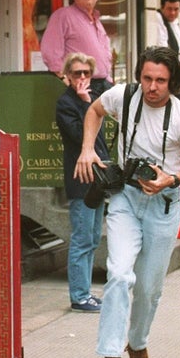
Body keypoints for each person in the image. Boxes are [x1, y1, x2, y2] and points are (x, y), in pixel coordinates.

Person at [74, 46, 180, 358]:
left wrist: (172, 178)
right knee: (120, 274)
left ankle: (137, 344)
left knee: (149, 289)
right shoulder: (124, 95)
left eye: (161, 81)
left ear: (173, 82)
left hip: (163, 205)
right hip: (125, 197)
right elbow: (94, 110)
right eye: (147, 78)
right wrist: (88, 148)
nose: (152, 87)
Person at [56, 52, 109, 312]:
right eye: (77, 73)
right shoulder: (66, 104)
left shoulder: (92, 102)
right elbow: (80, 137)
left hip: (96, 179)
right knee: (81, 239)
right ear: (67, 76)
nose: (82, 78)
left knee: (93, 239)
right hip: (81, 180)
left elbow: (99, 142)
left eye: (86, 73)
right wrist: (86, 102)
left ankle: (85, 292)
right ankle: (79, 296)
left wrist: (89, 102)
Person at [40, 0, 113, 99]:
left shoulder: (97, 21)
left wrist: (109, 80)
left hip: (104, 86)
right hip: (80, 86)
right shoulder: (63, 16)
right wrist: (66, 80)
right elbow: (50, 52)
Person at [156, 0, 180, 107]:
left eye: (176, 9)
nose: (172, 13)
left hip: (179, 74)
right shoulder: (159, 20)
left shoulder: (175, 24)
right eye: (169, 9)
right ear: (162, 8)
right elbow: (162, 45)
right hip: (170, 73)